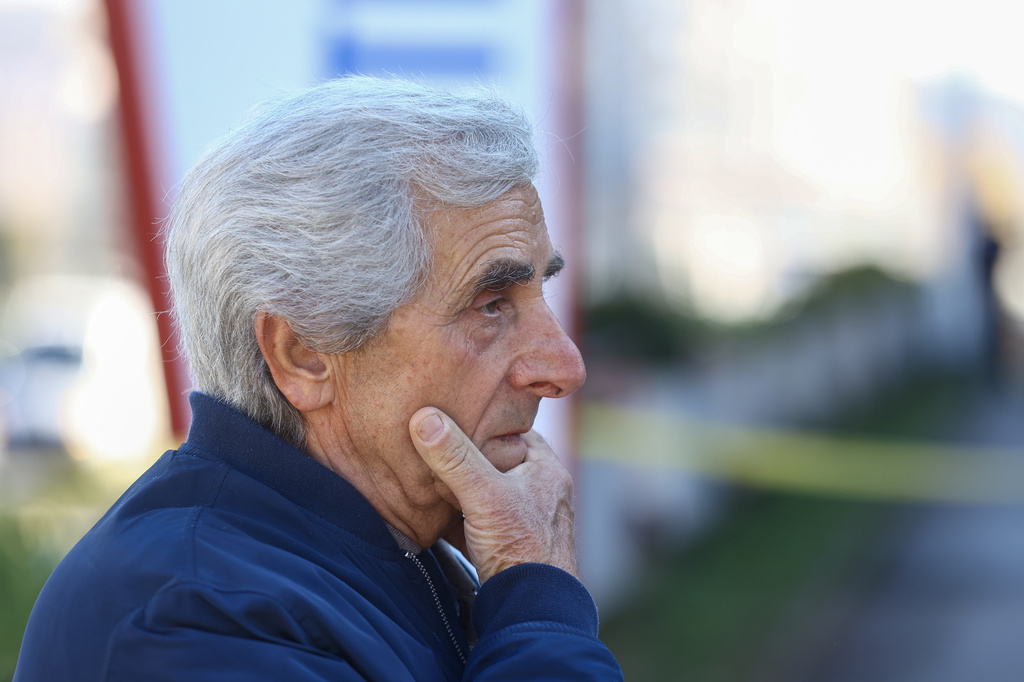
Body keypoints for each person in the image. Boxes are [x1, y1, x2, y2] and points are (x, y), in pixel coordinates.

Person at [14, 77, 623, 680]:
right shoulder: (191, 612)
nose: (563, 368)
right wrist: (535, 605)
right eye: (491, 303)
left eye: (541, 289)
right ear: (303, 354)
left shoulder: (388, 555)